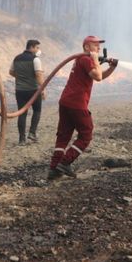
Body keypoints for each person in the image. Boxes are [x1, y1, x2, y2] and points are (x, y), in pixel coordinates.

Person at [48, 35, 118, 180]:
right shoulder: (86, 59)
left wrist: (112, 67)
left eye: (99, 45)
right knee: (86, 133)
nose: (98, 48)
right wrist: (95, 60)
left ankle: (54, 169)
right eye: (95, 45)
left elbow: (98, 76)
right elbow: (98, 76)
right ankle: (65, 162)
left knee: (64, 135)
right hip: (77, 102)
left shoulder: (82, 59)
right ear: (87, 47)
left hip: (66, 101)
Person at [9, 39, 45, 145]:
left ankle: (22, 139)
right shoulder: (36, 59)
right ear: (32, 47)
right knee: (37, 110)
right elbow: (38, 75)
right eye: (37, 47)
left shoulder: (16, 58)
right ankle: (32, 133)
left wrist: (21, 78)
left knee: (22, 113)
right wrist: (42, 89)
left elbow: (11, 72)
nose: (38, 50)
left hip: (20, 91)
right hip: (33, 91)